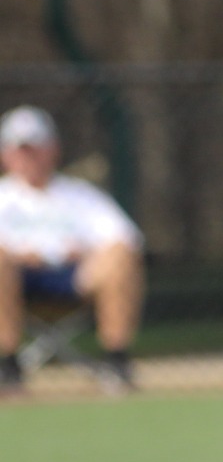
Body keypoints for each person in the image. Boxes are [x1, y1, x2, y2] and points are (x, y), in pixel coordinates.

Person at [0, 105, 144, 393]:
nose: (29, 158)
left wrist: (87, 253)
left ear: (53, 150)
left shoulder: (81, 195)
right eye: (21, 151)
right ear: (6, 155)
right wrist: (18, 255)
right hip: (17, 278)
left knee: (121, 256)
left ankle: (117, 360)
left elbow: (125, 238)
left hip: (75, 277)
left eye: (36, 149)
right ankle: (7, 365)